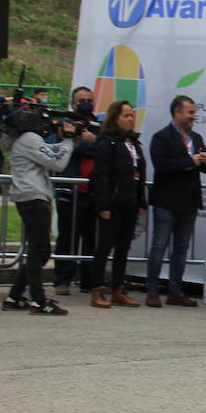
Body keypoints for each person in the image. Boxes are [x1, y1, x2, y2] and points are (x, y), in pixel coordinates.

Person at [1, 106, 75, 315]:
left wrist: (68, 141)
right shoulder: (30, 139)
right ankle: (39, 301)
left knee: (41, 251)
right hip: (33, 197)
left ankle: (14, 296)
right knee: (38, 250)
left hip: (30, 196)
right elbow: (57, 162)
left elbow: (51, 153)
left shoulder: (22, 140)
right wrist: (69, 141)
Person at [144, 95, 206, 308]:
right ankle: (152, 291)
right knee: (159, 246)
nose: (194, 116)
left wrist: (205, 161)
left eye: (194, 112)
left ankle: (175, 291)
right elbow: (161, 165)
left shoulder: (197, 138)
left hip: (189, 201)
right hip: (167, 200)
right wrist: (189, 161)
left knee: (181, 248)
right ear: (177, 112)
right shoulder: (161, 137)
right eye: (190, 112)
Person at [87, 100, 146, 309]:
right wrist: (103, 205)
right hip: (112, 203)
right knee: (104, 247)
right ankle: (96, 289)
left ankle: (118, 289)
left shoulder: (134, 143)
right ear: (115, 118)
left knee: (123, 247)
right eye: (126, 116)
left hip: (130, 203)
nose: (130, 119)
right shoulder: (106, 142)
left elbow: (140, 175)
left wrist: (141, 202)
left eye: (132, 115)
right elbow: (100, 175)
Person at [53, 86, 99, 295]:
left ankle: (89, 281)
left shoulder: (99, 124)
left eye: (89, 99)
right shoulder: (66, 123)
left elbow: (108, 148)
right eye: (81, 100)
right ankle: (62, 280)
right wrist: (88, 142)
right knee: (68, 236)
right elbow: (74, 148)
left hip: (94, 190)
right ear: (73, 103)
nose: (86, 103)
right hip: (70, 189)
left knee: (92, 238)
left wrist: (95, 140)